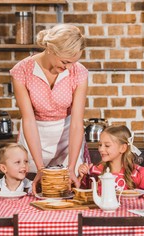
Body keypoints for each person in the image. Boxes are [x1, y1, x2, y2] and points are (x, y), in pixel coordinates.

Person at [10, 23, 89, 195]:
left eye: (73, 62)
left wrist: (70, 167)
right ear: (51, 50)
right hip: (34, 135)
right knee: (32, 192)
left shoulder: (79, 72)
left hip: (67, 138)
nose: (69, 67)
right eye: (65, 62)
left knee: (65, 192)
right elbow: (28, 120)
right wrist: (39, 167)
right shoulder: (22, 70)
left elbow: (76, 123)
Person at [77, 125, 144, 194]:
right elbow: (80, 193)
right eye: (100, 145)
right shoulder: (95, 171)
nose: (101, 149)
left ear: (123, 148)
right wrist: (81, 177)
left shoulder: (137, 173)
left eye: (107, 145)